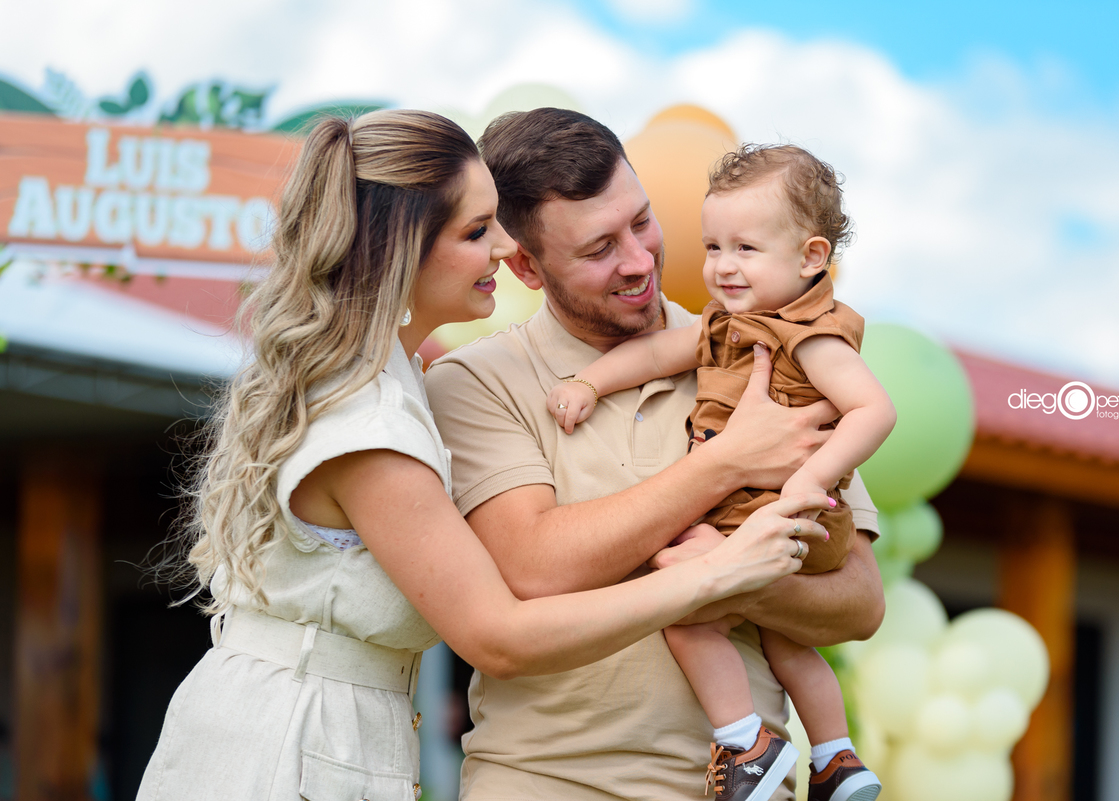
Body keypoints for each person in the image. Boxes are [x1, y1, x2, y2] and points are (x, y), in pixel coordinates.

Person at [135, 110, 827, 801]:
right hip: (283, 752)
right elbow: (499, 636)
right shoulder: (368, 420)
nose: (503, 247)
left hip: (332, 736)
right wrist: (718, 571)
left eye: (496, 220)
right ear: (398, 251)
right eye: (475, 231)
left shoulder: (393, 383)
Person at [424, 109, 887, 801]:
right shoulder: (476, 382)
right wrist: (726, 463)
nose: (639, 260)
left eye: (641, 221)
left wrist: (735, 575)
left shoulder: (761, 348)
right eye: (599, 247)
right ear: (525, 263)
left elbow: (858, 601)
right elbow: (533, 565)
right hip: (548, 783)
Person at [546, 143, 896, 801]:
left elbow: (874, 410)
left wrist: (807, 479)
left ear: (811, 257)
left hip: (779, 510)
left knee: (683, 609)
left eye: (746, 249)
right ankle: (837, 758)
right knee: (787, 641)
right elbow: (655, 352)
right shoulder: (731, 323)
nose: (723, 267)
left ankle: (746, 745)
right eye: (713, 247)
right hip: (773, 517)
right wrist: (591, 382)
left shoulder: (809, 333)